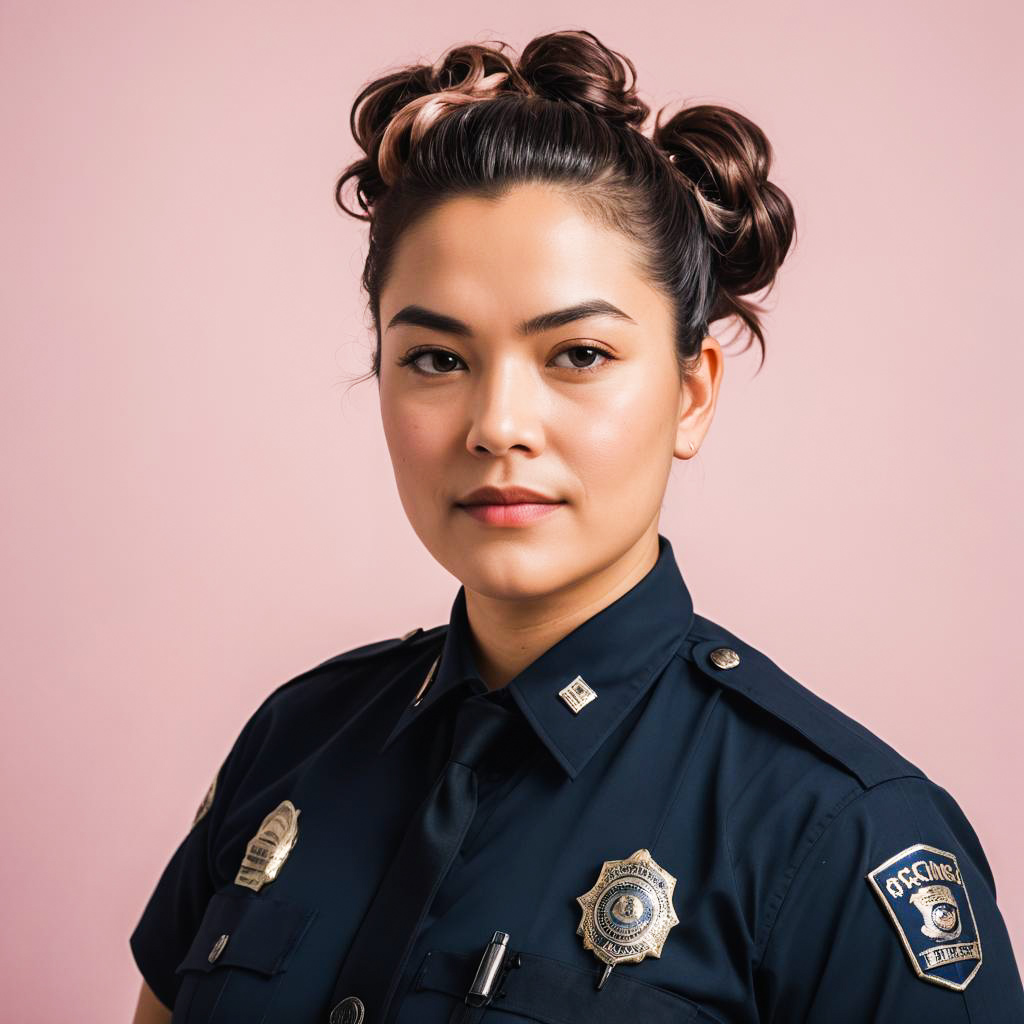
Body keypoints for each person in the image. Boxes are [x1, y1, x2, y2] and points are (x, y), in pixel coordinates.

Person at [129, 28, 1024, 1024]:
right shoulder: (296, 742)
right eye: (435, 358)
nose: (497, 426)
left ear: (690, 393)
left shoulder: (838, 832)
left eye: (578, 354)